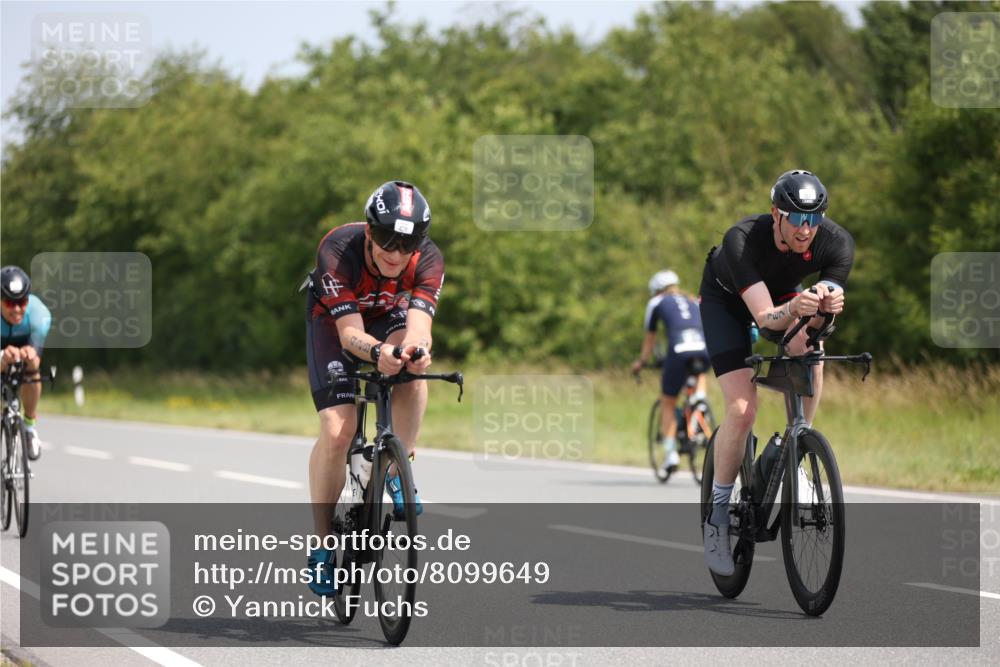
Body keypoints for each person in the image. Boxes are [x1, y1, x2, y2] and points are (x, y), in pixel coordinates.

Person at [698, 170, 854, 575]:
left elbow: (818, 318)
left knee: (812, 349)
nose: (806, 229)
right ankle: (716, 517)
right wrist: (798, 308)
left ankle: (799, 446)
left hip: (785, 296)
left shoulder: (836, 243)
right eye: (797, 219)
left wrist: (824, 312)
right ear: (776, 214)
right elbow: (767, 320)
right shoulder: (743, 239)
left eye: (814, 219)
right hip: (729, 302)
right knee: (742, 409)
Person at [304, 180, 444, 596]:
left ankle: (399, 467)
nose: (395, 253)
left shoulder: (430, 260)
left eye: (408, 244)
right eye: (386, 239)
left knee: (413, 369)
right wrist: (378, 350)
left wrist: (415, 351)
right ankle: (323, 546)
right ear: (369, 230)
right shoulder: (337, 249)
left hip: (389, 321)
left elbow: (420, 325)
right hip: (333, 325)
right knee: (337, 430)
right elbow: (349, 335)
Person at [632, 270, 710, 477]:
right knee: (699, 374)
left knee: (668, 401)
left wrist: (641, 362)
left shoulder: (656, 302)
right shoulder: (692, 299)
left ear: (656, 290)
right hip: (703, 347)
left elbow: (650, 337)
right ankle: (699, 403)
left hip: (678, 349)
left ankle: (670, 456)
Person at [1, 265, 52, 460]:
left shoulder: (39, 314)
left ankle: (30, 428)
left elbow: (36, 363)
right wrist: (3, 357)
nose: (16, 309)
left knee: (32, 370)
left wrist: (30, 355)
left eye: (21, 302)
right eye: (8, 303)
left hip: (25, 342)